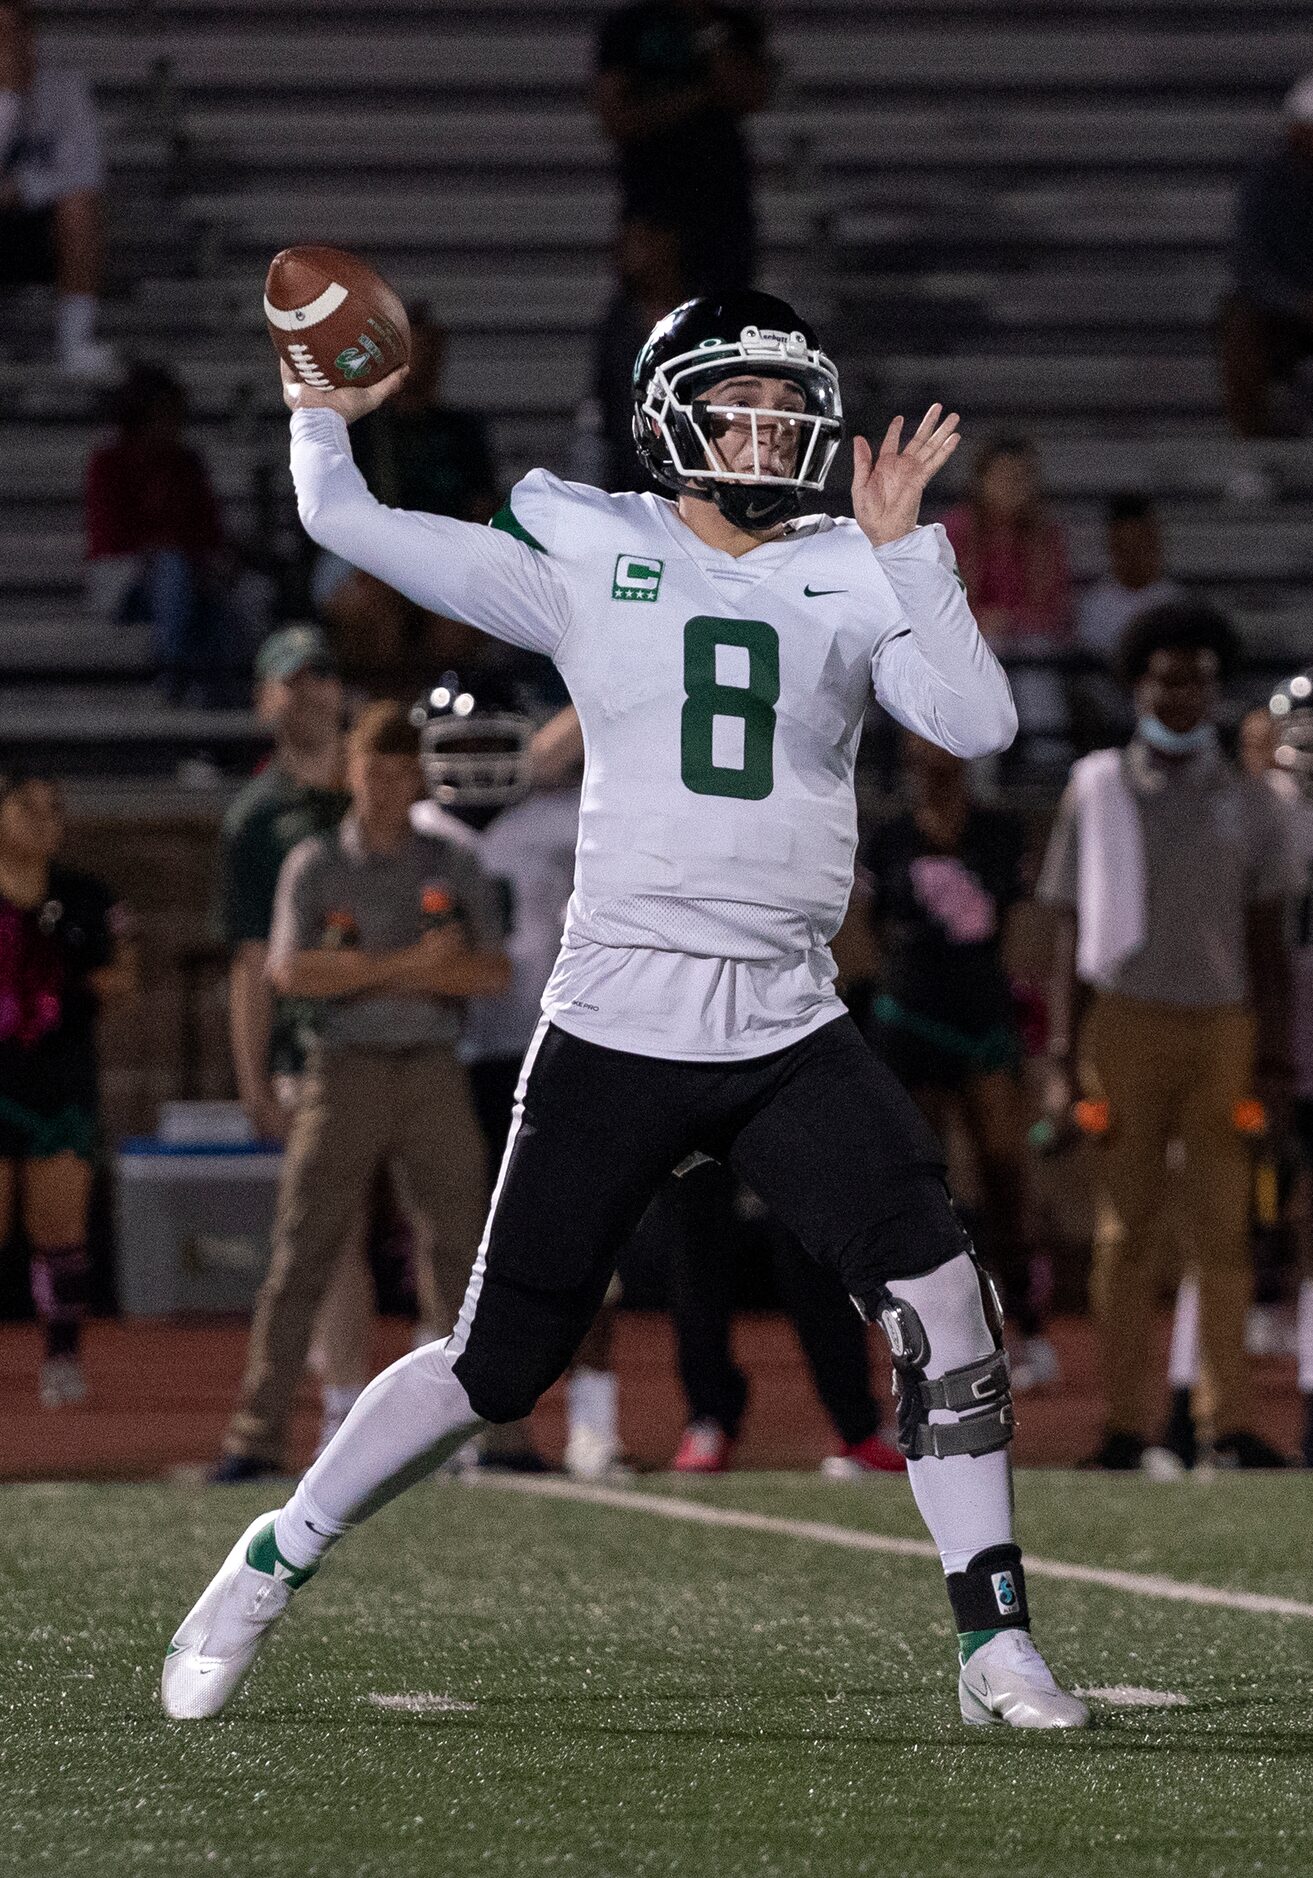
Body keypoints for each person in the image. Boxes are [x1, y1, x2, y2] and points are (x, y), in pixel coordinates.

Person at [163, 287, 1090, 1733]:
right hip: (620, 1013)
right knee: (496, 1362)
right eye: (740, 401)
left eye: (789, 404)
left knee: (942, 1298)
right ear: (671, 411)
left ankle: (994, 1639)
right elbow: (347, 526)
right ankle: (270, 1555)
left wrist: (915, 554)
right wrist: (318, 419)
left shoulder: (858, 560)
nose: (771, 426)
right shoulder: (596, 547)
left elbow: (981, 726)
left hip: (786, 1014)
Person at [213, 700, 510, 1478]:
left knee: (462, 1253)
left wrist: (361, 973)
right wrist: (413, 964)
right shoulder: (315, 862)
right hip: (338, 1072)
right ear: (351, 772)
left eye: (399, 770)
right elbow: (290, 973)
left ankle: (490, 1433)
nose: (383, 784)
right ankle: (255, 1435)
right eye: (372, 769)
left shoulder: (452, 862)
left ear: (418, 777)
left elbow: (491, 970)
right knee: (303, 1249)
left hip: (431, 1066)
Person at [1037, 602, 1292, 1470]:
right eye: (1167, 677)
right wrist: (1062, 1060)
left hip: (1223, 1028)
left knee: (1223, 1232)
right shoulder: (1096, 784)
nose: (1185, 693)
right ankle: (1122, 1423)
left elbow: (1266, 939)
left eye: (1201, 680)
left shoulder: (1251, 802)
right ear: (1137, 685)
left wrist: (1276, 1053)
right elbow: (1067, 931)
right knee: (1122, 1232)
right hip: (1124, 1023)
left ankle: (1228, 1425)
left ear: (1218, 691)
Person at [214, 625, 387, 1472]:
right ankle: (348, 1406)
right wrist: (251, 1076)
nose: (311, 689)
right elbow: (250, 962)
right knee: (335, 1228)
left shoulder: (382, 788)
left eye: (323, 673)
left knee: (447, 1228)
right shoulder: (257, 818)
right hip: (315, 1046)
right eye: (293, 678)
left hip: (413, 1028)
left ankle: (455, 1406)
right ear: (265, 697)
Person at [863, 732, 1056, 1392]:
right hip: (910, 1022)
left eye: (940, 756)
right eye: (917, 757)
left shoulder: (1001, 833)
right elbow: (863, 934)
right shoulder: (885, 838)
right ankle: (936, 1333)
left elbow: (1025, 929)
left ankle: (1028, 1326)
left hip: (980, 1024)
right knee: (924, 1188)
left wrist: (1024, 1014)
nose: (929, 769)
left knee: (1005, 1177)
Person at [0, 770, 135, 1406]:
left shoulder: (84, 895)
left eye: (55, 809)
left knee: (59, 1226)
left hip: (58, 1080)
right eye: (29, 809)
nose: (46, 822)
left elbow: (123, 976)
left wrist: (62, 976)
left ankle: (60, 1357)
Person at [312, 307, 500, 687]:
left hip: (445, 551)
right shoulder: (360, 428)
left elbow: (483, 508)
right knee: (373, 604)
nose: (422, 360)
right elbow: (334, 509)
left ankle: (437, 702)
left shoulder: (462, 432)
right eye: (414, 349)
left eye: (432, 350)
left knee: (462, 610)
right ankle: (376, 706)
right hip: (364, 553)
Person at [84, 363, 243, 705]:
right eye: (162, 416)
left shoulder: (187, 463)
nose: (172, 427)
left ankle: (224, 701)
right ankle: (172, 678)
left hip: (188, 576)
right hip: (126, 580)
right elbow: (111, 540)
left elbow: (209, 533)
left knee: (232, 595)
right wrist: (166, 549)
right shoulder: (108, 463)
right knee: (171, 569)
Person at [593, 0, 773, 295]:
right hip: (652, 205)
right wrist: (694, 99)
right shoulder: (630, 27)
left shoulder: (731, 25)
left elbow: (749, 93)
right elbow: (616, 116)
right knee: (654, 320)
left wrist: (704, 26)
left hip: (723, 210)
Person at [0, 0, 116, 380]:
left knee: (80, 207)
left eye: (13, 31)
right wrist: (9, 101)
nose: (7, 43)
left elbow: (85, 171)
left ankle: (74, 345)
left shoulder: (64, 89)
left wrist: (22, 189)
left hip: (40, 230)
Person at [1218, 73, 1313, 439]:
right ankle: (1254, 445)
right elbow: (1247, 260)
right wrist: (1295, 301)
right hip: (1283, 312)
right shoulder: (1266, 178)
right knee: (1239, 321)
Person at [1075, 493, 1182, 665]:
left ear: (1154, 543)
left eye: (1140, 545)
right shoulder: (1094, 606)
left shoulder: (1175, 603)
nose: (1133, 557)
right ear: (1111, 547)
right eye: (1124, 547)